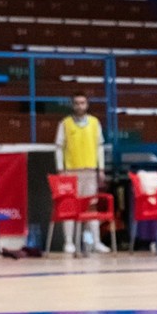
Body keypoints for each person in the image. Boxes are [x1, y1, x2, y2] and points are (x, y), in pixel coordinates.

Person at [54, 93, 110, 254]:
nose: (80, 106)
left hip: (90, 170)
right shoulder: (65, 124)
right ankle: (69, 242)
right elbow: (59, 147)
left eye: (82, 103)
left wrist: (101, 168)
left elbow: (100, 146)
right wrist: (60, 169)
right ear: (73, 105)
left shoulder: (94, 123)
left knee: (91, 207)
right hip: (71, 171)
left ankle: (95, 242)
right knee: (70, 206)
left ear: (87, 104)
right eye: (77, 103)